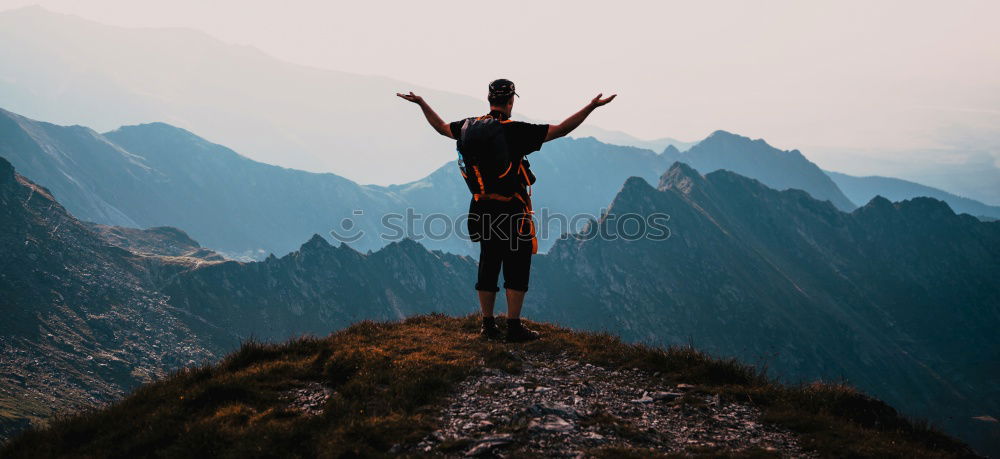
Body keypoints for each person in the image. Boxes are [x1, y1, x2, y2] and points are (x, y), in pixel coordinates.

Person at [397, 79, 615, 341]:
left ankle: (487, 325)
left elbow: (442, 128)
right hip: (512, 209)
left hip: (481, 206)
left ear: (489, 100)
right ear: (511, 102)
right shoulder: (517, 132)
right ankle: (513, 326)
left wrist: (422, 103)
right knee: (517, 264)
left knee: (489, 262)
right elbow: (561, 130)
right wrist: (590, 107)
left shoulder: (469, 126)